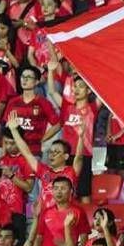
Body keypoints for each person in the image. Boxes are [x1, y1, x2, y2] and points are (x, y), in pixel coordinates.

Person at [6, 110, 83, 210]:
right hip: (45, 216)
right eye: (51, 152)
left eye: (56, 152)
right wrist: (14, 131)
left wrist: (81, 137)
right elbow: (27, 153)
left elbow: (79, 157)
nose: (52, 154)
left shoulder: (71, 172)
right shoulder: (43, 170)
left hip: (65, 215)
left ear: (66, 156)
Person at [47, 60, 98, 204]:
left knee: (84, 192)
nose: (76, 89)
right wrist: (50, 71)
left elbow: (104, 93)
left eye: (81, 86)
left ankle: (86, 216)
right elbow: (52, 92)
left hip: (84, 155)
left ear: (89, 91)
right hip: (66, 156)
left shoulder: (93, 107)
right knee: (67, 192)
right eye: (75, 86)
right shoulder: (67, 107)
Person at [2, 66, 60, 158]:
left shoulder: (43, 102)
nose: (24, 80)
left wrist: (42, 139)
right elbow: (6, 128)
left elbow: (58, 124)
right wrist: (4, 154)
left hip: (33, 153)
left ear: (36, 81)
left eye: (28, 77)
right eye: (23, 76)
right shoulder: (13, 102)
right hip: (14, 152)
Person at [0, 126, 35, 240]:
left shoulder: (27, 161)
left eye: (12, 143)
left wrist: (11, 175)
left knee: (18, 245)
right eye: (6, 143)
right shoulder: (2, 160)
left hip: (19, 212)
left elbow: (29, 188)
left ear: (20, 141)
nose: (9, 146)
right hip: (0, 210)